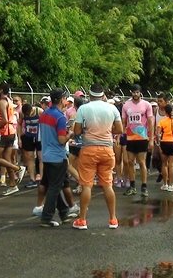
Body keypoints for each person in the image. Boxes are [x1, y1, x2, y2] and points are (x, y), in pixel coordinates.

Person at [71, 83, 123, 230]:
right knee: (107, 185)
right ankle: (113, 219)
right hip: (107, 149)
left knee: (86, 185)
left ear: (90, 94)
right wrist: (106, 130)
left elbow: (77, 131)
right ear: (103, 94)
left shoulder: (83, 108)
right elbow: (119, 129)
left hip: (89, 149)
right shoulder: (112, 108)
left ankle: (82, 220)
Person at [38, 89, 78, 227]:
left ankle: (64, 213)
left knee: (56, 184)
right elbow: (61, 140)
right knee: (55, 188)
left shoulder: (44, 114)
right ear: (61, 100)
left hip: (46, 155)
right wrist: (70, 134)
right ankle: (46, 218)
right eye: (66, 98)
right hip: (57, 157)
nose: (67, 101)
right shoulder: (60, 117)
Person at [0, 83, 27, 196]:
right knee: (6, 159)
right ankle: (12, 185)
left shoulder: (2, 102)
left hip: (4, 132)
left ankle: (18, 168)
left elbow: (4, 120)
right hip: (11, 132)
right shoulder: (9, 101)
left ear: (1, 90)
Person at [122, 84, 154, 199]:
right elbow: (123, 122)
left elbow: (150, 122)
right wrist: (121, 135)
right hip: (130, 138)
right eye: (133, 92)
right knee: (130, 161)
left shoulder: (146, 105)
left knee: (141, 162)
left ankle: (144, 187)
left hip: (142, 137)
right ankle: (132, 186)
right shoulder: (126, 105)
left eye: (137, 92)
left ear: (140, 93)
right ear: (131, 93)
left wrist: (151, 139)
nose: (135, 94)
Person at [156, 103, 173, 192]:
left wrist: (159, 145)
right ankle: (171, 185)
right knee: (172, 165)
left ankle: (165, 184)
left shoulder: (162, 121)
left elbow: (158, 134)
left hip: (164, 142)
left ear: (165, 111)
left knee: (164, 164)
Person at [19, 101, 43, 188]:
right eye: (27, 115)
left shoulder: (39, 111)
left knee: (41, 158)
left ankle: (42, 178)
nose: (28, 116)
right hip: (28, 137)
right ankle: (32, 179)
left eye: (29, 114)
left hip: (39, 137)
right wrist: (19, 138)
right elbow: (19, 124)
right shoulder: (22, 113)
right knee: (30, 158)